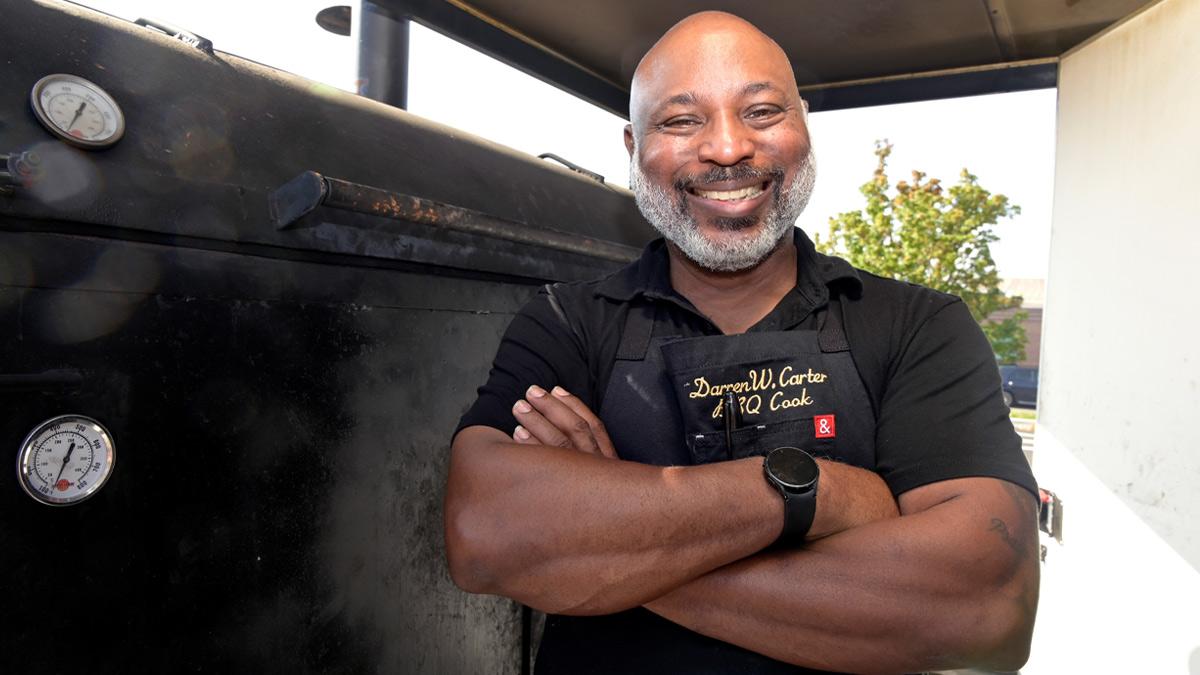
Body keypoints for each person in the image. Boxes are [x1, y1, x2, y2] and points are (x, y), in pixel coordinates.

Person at [444, 10, 1039, 674]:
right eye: (681, 120)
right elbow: (486, 535)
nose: (728, 149)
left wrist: (604, 551)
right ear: (632, 146)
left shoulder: (916, 326)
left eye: (760, 112)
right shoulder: (566, 322)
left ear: (802, 127)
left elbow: (986, 607)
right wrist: (819, 494)